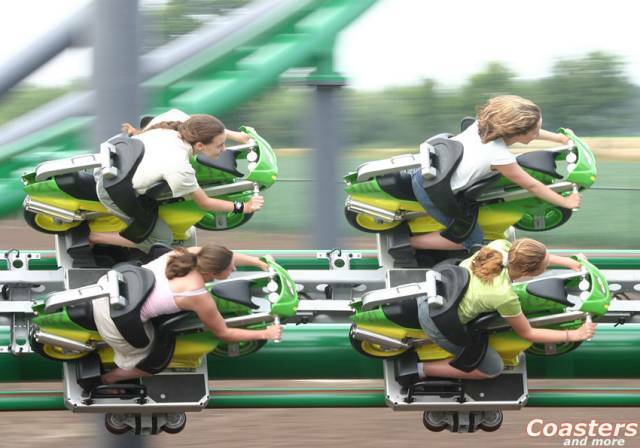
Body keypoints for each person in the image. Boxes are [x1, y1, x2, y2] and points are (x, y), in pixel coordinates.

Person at [410, 95, 582, 252]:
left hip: (431, 171)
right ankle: (408, 243)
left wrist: (559, 138)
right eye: (535, 131)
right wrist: (565, 202)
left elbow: (529, 130)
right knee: (472, 238)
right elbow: (532, 186)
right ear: (517, 131)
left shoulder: (484, 125)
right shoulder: (498, 155)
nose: (537, 134)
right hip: (431, 191)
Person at [92, 244, 282, 384]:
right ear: (213, 272)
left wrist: (258, 262)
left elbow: (227, 256)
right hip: (112, 321)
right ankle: (108, 379)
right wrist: (265, 333)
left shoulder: (187, 253)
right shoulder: (197, 294)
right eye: (230, 269)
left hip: (106, 290)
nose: (234, 269)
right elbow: (224, 333)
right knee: (154, 363)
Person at [413, 238, 596, 380]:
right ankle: (420, 369)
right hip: (436, 321)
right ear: (526, 273)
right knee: (492, 369)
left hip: (435, 290)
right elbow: (528, 333)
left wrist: (566, 261)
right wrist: (573, 335)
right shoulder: (503, 295)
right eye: (546, 265)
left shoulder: (500, 246)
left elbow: (530, 256)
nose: (548, 265)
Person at [89, 108, 264, 253]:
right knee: (161, 239)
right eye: (220, 145)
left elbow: (206, 126)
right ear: (200, 146)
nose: (224, 149)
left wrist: (238, 136)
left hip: (112, 164)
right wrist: (244, 207)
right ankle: (94, 237)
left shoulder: (177, 119)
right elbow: (205, 202)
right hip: (113, 189)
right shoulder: (179, 167)